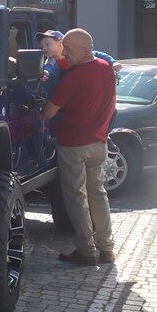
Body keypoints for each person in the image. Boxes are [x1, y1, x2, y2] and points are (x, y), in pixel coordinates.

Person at [43, 29, 117, 266]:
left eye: (69, 49)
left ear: (85, 50)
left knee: (76, 197)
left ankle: (87, 250)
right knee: (98, 194)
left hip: (73, 145)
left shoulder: (73, 78)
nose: (65, 53)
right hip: (99, 143)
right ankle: (107, 248)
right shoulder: (106, 68)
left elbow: (49, 112)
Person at [37, 30, 120, 97]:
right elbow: (48, 69)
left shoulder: (81, 54)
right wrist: (45, 73)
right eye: (41, 46)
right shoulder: (50, 62)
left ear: (60, 43)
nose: (44, 48)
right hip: (61, 99)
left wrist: (113, 62)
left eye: (47, 44)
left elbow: (98, 54)